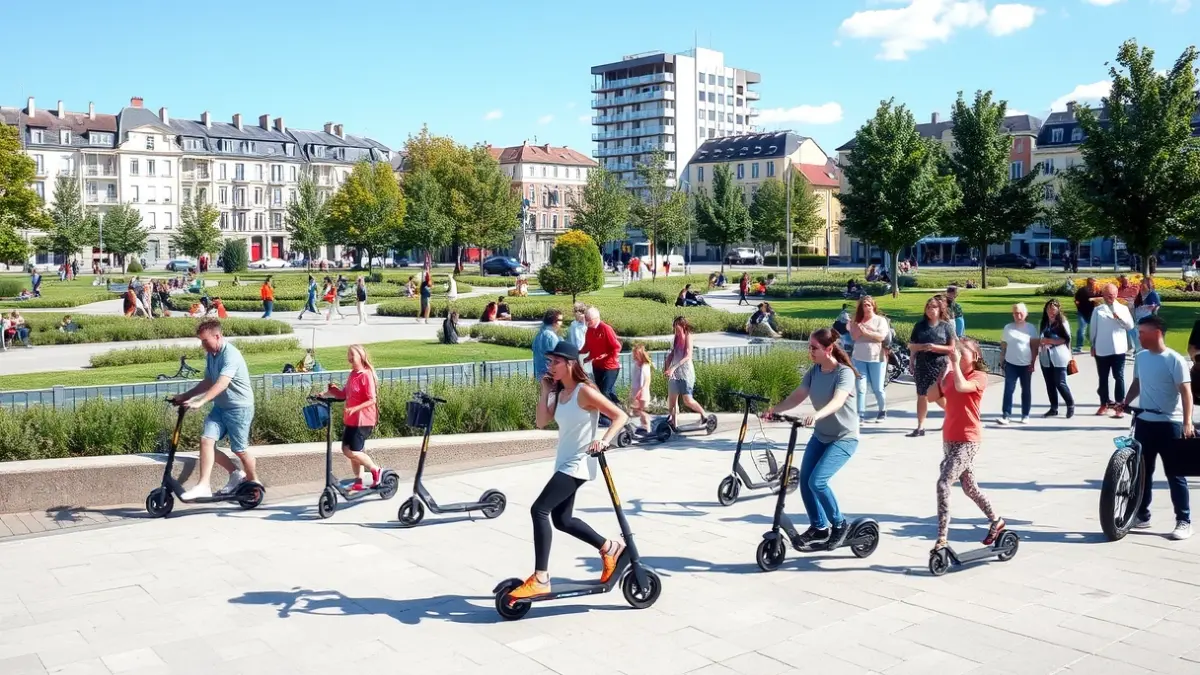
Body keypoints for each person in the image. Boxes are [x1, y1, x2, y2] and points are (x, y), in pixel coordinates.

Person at [505, 341, 630, 601]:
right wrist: (545, 391)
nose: (550, 366)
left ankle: (541, 578)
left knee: (539, 509)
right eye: (549, 361)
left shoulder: (584, 391)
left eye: (555, 362)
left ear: (570, 364)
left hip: (580, 461)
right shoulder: (561, 392)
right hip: (564, 462)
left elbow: (620, 416)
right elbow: (541, 422)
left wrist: (605, 440)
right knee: (562, 520)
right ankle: (610, 548)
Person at [764, 328, 860, 548]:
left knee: (818, 481)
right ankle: (819, 527)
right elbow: (798, 395)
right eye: (809, 346)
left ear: (828, 349)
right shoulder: (815, 371)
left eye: (814, 347)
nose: (810, 351)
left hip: (844, 437)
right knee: (806, 483)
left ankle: (839, 524)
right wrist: (775, 410)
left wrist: (816, 415)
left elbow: (838, 401)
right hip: (821, 436)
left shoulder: (843, 373)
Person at [1113, 315, 1195, 540]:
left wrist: (1187, 422)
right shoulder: (1141, 358)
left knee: (1175, 474)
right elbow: (1137, 383)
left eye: (1142, 333)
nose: (1138, 337)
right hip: (1144, 422)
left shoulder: (1175, 360)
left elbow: (1186, 393)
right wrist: (1125, 403)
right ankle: (1142, 515)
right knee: (1143, 472)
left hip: (1170, 423)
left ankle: (1184, 520)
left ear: (1157, 332)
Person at [170, 320, 259, 500]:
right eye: (201, 341)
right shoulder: (211, 355)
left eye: (205, 341)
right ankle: (206, 485)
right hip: (220, 407)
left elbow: (222, 383)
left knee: (240, 450)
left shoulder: (231, 355)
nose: (203, 346)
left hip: (239, 408)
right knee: (206, 441)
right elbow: (209, 381)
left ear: (217, 336)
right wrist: (186, 396)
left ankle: (255, 483)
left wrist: (201, 401)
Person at [934, 337, 1005, 554]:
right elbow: (933, 394)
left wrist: (953, 365)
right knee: (969, 487)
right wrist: (944, 367)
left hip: (968, 439)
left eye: (960, 353)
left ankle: (942, 540)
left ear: (974, 357)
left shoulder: (979, 376)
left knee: (944, 483)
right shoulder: (951, 373)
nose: (956, 356)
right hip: (949, 438)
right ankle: (997, 520)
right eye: (955, 353)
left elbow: (962, 387)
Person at [324, 345, 386, 492]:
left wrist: (354, 409)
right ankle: (358, 480)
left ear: (361, 356)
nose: (350, 358)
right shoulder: (352, 374)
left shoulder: (366, 374)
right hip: (351, 420)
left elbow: (372, 400)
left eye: (352, 355)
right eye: (348, 355)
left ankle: (376, 469)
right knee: (347, 449)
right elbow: (344, 394)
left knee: (351, 451)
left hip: (364, 420)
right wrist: (330, 392)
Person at [907, 296, 956, 437]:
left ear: (940, 309)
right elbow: (911, 345)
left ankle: (951, 413)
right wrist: (912, 360)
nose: (931, 310)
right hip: (922, 364)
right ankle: (920, 426)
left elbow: (951, 348)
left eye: (934, 307)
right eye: (928, 307)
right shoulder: (920, 326)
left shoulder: (946, 327)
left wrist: (935, 347)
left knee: (937, 395)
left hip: (939, 364)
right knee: (922, 394)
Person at [1091, 283, 1135, 417]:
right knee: (1103, 378)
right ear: (1103, 295)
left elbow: (1130, 326)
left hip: (1118, 349)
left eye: (1113, 294)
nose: (1110, 297)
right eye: (1108, 295)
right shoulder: (1098, 310)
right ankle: (1104, 404)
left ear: (1116, 294)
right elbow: (1093, 329)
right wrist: (1093, 345)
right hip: (1102, 348)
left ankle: (1119, 406)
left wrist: (1119, 318)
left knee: (1119, 376)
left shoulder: (1122, 308)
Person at [848, 295, 889, 423]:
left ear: (873, 306)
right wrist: (857, 328)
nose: (867, 308)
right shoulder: (857, 321)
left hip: (876, 358)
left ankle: (882, 411)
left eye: (869, 305)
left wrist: (866, 333)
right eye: (864, 305)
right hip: (859, 357)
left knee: (877, 388)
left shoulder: (880, 320)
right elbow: (854, 337)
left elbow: (881, 337)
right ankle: (860, 414)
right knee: (861, 388)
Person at [663, 316, 709, 429]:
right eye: (674, 328)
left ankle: (704, 415)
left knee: (687, 400)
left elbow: (687, 356)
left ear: (683, 326)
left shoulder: (688, 336)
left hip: (686, 373)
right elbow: (672, 354)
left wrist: (674, 367)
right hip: (675, 374)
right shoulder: (676, 338)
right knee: (672, 401)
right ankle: (674, 424)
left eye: (677, 328)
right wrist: (667, 367)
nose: (675, 331)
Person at [997, 303, 1038, 425]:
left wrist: (1033, 362)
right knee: (1009, 389)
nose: (1018, 315)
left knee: (1026, 389)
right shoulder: (1008, 327)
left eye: (1020, 313)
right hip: (1011, 363)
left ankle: (1025, 414)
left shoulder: (1031, 328)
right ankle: (1006, 414)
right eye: (1015, 313)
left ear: (1026, 314)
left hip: (1026, 364)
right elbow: (1004, 344)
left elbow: (1034, 347)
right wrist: (1002, 357)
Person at [580, 307, 623, 425]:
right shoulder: (589, 330)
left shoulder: (605, 329)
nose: (587, 323)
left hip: (610, 366)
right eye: (586, 320)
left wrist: (605, 356)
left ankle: (614, 415)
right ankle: (615, 411)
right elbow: (587, 346)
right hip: (597, 365)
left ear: (596, 318)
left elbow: (616, 347)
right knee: (600, 392)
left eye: (589, 320)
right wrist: (579, 353)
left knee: (604, 392)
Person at [1038, 299, 1075, 418]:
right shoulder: (1044, 322)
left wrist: (1050, 341)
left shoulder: (1062, 322)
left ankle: (1070, 404)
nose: (1051, 312)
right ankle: (1053, 407)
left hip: (1059, 355)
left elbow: (1066, 339)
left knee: (1060, 382)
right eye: (1049, 309)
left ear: (1058, 310)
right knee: (1050, 383)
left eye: (1053, 309)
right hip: (1045, 356)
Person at [1131, 277, 1161, 353]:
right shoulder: (1140, 294)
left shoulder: (1152, 294)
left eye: (1142, 283)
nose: (1140, 285)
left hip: (1147, 320)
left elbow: (1156, 306)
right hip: (1138, 320)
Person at [629, 343, 653, 434]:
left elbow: (645, 380)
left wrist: (640, 391)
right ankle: (644, 426)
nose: (634, 356)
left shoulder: (645, 366)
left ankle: (648, 426)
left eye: (636, 354)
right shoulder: (636, 365)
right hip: (636, 389)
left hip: (642, 391)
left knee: (639, 410)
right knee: (636, 410)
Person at [532, 309, 562, 379]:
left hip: (539, 375)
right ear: (554, 321)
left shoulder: (538, 335)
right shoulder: (551, 337)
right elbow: (556, 358)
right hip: (550, 376)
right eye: (560, 320)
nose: (561, 324)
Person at [1073, 277, 1100, 353]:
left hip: (1094, 313)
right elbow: (1076, 300)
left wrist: (1096, 301)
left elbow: (1101, 299)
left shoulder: (1098, 291)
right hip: (1082, 312)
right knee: (1081, 329)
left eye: (1094, 283)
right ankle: (1079, 346)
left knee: (1094, 330)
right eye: (1091, 283)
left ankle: (1095, 346)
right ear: (1088, 283)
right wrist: (1078, 307)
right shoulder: (1082, 290)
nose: (1093, 285)